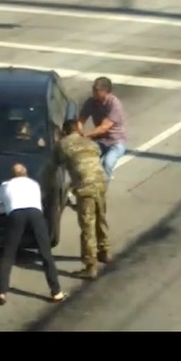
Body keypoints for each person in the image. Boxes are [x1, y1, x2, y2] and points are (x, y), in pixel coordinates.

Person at [0, 163, 66, 305]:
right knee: (45, 252)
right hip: (35, 214)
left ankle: (1, 293)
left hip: (16, 214)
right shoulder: (34, 184)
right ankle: (56, 292)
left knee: (8, 254)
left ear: (11, 174)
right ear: (26, 173)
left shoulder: (6, 185)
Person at [53, 118, 111, 277]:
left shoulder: (63, 144)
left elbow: (54, 164)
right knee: (101, 218)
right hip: (101, 182)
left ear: (64, 131)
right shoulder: (89, 142)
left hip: (85, 188)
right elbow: (97, 154)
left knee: (87, 226)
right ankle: (105, 251)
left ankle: (90, 266)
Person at [79, 77, 130, 182]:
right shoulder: (90, 102)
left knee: (107, 164)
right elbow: (81, 120)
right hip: (99, 140)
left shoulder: (114, 104)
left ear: (105, 91)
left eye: (96, 90)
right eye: (93, 88)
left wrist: (85, 135)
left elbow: (104, 127)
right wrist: (77, 132)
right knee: (85, 160)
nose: (93, 92)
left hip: (115, 141)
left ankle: (102, 192)